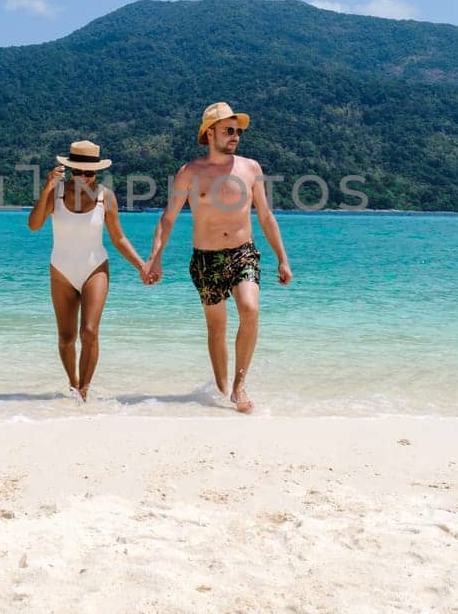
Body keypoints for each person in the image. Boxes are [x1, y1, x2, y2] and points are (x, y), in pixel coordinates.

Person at [144, 102, 291, 413]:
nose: (235, 135)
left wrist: (282, 257)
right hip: (205, 259)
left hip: (243, 252)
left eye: (237, 131)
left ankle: (239, 385)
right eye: (228, 130)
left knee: (249, 309)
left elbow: (265, 216)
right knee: (217, 328)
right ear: (210, 134)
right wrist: (155, 257)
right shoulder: (190, 172)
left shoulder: (251, 168)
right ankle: (221, 390)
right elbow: (168, 218)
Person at [27, 139, 148, 401]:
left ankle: (84, 393)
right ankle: (73, 384)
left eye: (89, 172)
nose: (83, 177)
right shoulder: (56, 193)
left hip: (95, 269)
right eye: (78, 171)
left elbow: (118, 239)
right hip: (61, 271)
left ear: (97, 172)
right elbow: (34, 225)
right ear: (70, 170)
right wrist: (47, 187)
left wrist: (142, 266)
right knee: (66, 338)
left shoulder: (106, 196)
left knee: (90, 331)